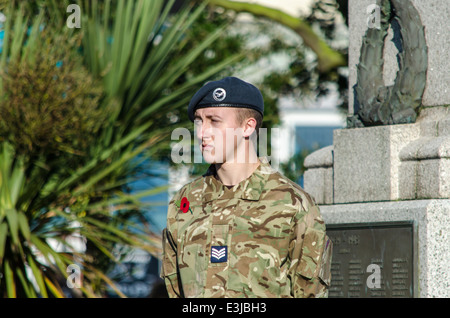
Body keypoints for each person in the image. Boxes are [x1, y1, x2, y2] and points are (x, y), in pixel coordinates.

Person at [161, 76, 332, 298]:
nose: (202, 132)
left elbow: (310, 293)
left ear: (247, 127)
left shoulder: (292, 204)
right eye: (199, 121)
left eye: (214, 121)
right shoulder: (184, 203)